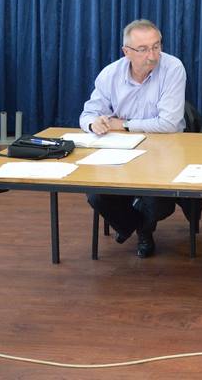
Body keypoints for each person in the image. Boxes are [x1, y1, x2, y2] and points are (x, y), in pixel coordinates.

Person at [79, 19, 186, 258]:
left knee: (156, 202)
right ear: (126, 52)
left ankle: (139, 230)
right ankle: (136, 226)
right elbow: (87, 114)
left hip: (164, 151)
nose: (153, 55)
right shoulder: (110, 74)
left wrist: (124, 124)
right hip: (121, 151)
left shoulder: (173, 68)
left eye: (156, 46)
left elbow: (169, 123)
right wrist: (94, 123)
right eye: (143, 49)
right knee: (96, 194)